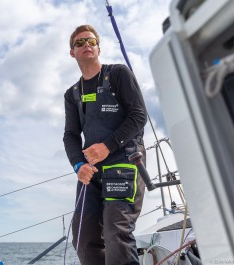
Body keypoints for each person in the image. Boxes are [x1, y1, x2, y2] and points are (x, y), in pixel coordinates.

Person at [63, 24, 147, 265]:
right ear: (72, 52)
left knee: (115, 232)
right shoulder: (72, 94)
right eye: (79, 43)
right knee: (83, 238)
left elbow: (139, 116)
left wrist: (107, 146)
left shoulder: (119, 74)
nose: (86, 45)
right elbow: (70, 134)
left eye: (90, 41)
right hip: (91, 172)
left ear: (98, 47)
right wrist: (78, 165)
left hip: (125, 163)